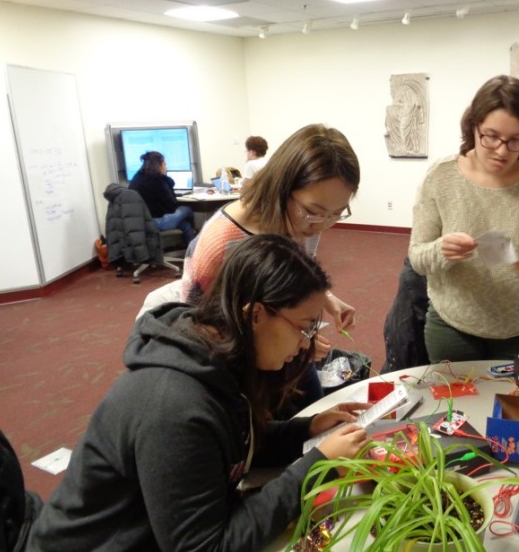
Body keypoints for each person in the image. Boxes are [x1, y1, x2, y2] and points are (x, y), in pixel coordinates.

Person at [26, 234, 371, 551]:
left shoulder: (222, 356)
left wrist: (305, 430)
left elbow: (228, 446)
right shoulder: (173, 409)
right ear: (255, 315)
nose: (306, 342)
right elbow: (204, 546)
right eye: (305, 326)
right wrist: (316, 466)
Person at [181, 123, 360, 414]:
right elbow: (201, 339)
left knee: (315, 415)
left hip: (285, 351)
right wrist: (293, 340)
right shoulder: (221, 245)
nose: (322, 225)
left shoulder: (298, 220)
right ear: (283, 187)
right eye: (314, 212)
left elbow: (296, 279)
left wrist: (327, 300)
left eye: (336, 214)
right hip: (240, 373)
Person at [408, 75, 519, 362]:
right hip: (452, 324)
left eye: (516, 140)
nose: (501, 150)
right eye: (491, 136)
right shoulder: (442, 177)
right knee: (454, 406)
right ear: (473, 127)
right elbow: (418, 258)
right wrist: (441, 249)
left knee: (513, 407)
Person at [128, 151, 195, 245]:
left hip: (141, 223)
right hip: (157, 222)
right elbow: (172, 207)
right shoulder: (158, 181)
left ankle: (190, 252)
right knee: (187, 209)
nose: (166, 168)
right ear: (159, 165)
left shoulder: (137, 178)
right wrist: (168, 180)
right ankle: (196, 254)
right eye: (165, 164)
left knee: (185, 225)